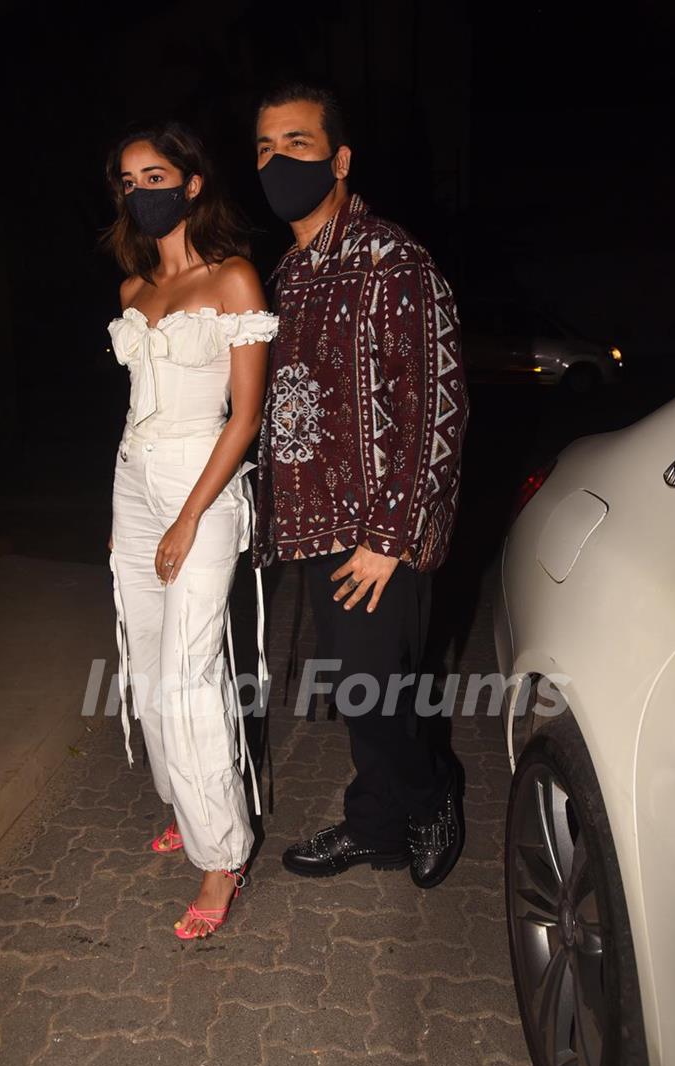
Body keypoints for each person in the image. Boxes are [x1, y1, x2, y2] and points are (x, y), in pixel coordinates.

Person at [253, 84, 469, 889]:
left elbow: (437, 404)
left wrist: (392, 536)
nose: (278, 162)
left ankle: (432, 792)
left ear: (339, 160)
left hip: (379, 534)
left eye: (298, 144)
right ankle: (377, 825)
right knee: (357, 694)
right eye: (267, 148)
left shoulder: (392, 260)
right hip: (314, 526)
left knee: (375, 697)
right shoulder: (287, 273)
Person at [103, 121, 277, 938]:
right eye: (131, 181)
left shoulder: (234, 279)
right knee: (143, 658)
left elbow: (243, 419)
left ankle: (223, 853)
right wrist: (138, 513)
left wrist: (186, 517)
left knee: (188, 673)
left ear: (193, 183)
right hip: (133, 480)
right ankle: (190, 805)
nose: (144, 191)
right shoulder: (134, 287)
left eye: (157, 175)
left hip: (199, 486)